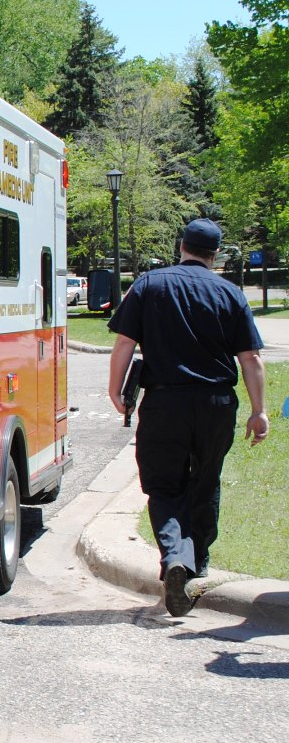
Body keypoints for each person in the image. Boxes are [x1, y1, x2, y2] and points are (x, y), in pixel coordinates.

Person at [108, 218, 269, 617]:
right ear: (215, 255)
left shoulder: (149, 284)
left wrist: (116, 391)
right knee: (206, 479)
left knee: (164, 486)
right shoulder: (231, 293)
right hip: (216, 403)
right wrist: (259, 411)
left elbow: (125, 343)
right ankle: (196, 561)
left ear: (182, 246)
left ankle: (176, 558)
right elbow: (251, 359)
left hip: (164, 403)